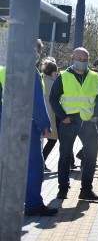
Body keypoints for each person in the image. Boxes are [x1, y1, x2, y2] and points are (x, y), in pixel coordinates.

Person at [0, 39, 57, 216]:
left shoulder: (4, 70)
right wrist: (45, 126)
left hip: (5, 124)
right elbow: (37, 104)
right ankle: (33, 204)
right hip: (25, 126)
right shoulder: (30, 73)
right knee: (34, 166)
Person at [49, 47, 98, 201]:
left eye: (85, 59)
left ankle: (86, 190)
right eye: (79, 58)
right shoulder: (63, 76)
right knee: (65, 156)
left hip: (88, 121)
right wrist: (63, 116)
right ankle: (63, 189)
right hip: (69, 121)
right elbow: (53, 98)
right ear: (72, 58)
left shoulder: (94, 76)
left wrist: (97, 115)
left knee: (91, 156)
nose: (82, 61)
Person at [41, 57, 59, 171]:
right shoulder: (54, 84)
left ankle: (41, 162)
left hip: (41, 113)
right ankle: (41, 162)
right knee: (52, 140)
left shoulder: (40, 79)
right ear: (53, 72)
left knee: (42, 140)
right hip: (51, 115)